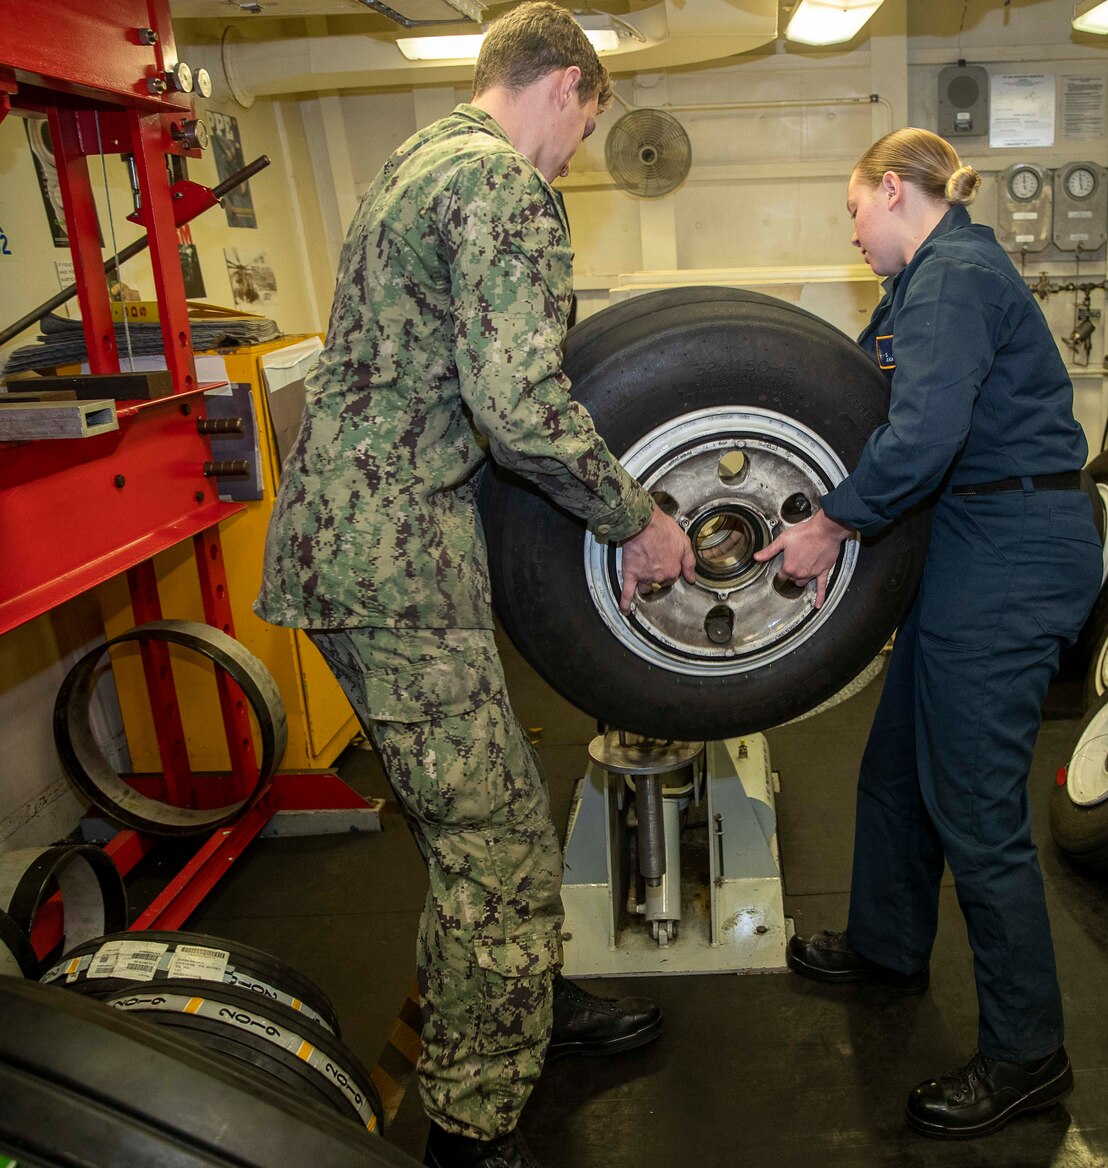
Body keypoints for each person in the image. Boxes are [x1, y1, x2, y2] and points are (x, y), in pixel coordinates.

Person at [255, 6, 695, 1167]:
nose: (571, 156)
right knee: (492, 853)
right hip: (394, 564)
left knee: (481, 812)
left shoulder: (415, 158)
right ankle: (471, 1122)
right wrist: (636, 520)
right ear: (565, 87)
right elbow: (516, 402)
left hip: (359, 545)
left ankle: (526, 1010)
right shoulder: (499, 185)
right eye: (583, 126)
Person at [757, 128, 1102, 1139]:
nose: (853, 233)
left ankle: (1026, 1051)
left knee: (976, 815)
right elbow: (867, 407)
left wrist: (826, 524)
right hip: (970, 544)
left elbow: (919, 438)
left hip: (1008, 551)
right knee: (898, 766)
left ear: (895, 189)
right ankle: (887, 944)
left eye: (853, 210)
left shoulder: (950, 278)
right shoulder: (926, 283)